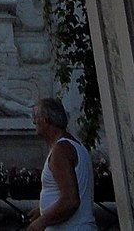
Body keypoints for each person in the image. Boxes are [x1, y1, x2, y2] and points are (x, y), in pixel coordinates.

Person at [27, 96, 96, 230]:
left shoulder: (61, 150)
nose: (34, 122)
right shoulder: (75, 145)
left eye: (36, 116)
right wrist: (42, 210)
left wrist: (42, 221)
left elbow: (71, 201)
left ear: (47, 120)